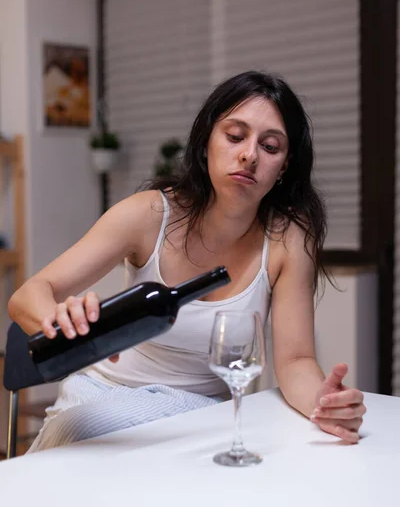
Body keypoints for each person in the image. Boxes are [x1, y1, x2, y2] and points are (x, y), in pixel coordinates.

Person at [8, 70, 366, 452]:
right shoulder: (148, 215)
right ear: (206, 141)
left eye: (271, 146)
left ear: (283, 166)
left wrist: (324, 404)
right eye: (234, 136)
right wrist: (62, 325)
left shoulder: (288, 238)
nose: (249, 155)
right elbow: (28, 295)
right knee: (84, 448)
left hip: (200, 416)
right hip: (103, 396)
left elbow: (295, 360)